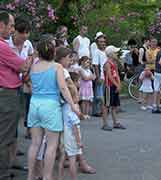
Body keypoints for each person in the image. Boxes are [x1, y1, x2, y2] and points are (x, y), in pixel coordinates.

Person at [27, 35, 80, 180]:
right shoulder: (57, 67)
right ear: (53, 53)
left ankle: (30, 176)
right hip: (50, 106)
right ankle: (47, 177)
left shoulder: (34, 66)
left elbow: (29, 82)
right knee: (51, 145)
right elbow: (63, 88)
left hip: (34, 105)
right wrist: (73, 106)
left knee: (35, 144)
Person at [0, 10, 32, 179]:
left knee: (10, 132)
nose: (12, 29)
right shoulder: (3, 46)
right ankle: (3, 173)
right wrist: (27, 62)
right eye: (11, 25)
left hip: (9, 92)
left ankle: (10, 163)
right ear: (1, 25)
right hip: (7, 94)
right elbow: (23, 66)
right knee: (5, 136)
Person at [55, 47, 96, 176]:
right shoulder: (62, 71)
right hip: (68, 112)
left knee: (60, 153)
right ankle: (80, 166)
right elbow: (75, 125)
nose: (71, 60)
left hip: (59, 109)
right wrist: (76, 104)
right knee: (72, 155)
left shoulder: (53, 69)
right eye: (69, 58)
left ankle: (58, 176)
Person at [102, 45, 126, 131]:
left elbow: (117, 75)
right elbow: (109, 76)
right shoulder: (107, 64)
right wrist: (117, 85)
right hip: (109, 86)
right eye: (115, 52)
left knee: (115, 105)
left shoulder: (114, 63)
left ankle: (115, 122)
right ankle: (105, 124)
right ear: (110, 54)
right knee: (106, 105)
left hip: (114, 85)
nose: (116, 54)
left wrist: (119, 84)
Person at [92, 33, 107, 117]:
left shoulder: (105, 52)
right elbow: (95, 65)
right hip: (100, 76)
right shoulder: (96, 52)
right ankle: (96, 111)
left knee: (103, 94)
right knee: (98, 94)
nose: (103, 43)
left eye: (104, 41)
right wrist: (98, 77)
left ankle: (103, 110)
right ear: (97, 43)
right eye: (101, 42)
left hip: (106, 76)